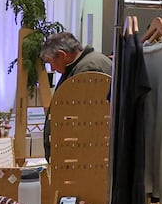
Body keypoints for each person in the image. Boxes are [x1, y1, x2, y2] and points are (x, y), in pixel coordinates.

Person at [40, 31, 112, 159]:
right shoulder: (86, 64)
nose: (52, 69)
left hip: (85, 159)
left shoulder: (86, 69)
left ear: (62, 55)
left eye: (50, 62)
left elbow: (85, 122)